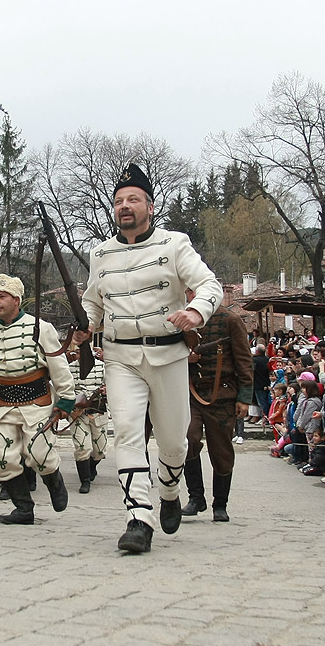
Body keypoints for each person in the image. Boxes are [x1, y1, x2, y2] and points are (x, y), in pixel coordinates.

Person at [76, 163, 223, 553]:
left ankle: (170, 489)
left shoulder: (174, 244)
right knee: (127, 432)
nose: (125, 206)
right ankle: (139, 517)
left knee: (175, 443)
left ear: (150, 206)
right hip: (120, 357)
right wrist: (84, 325)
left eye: (133, 200)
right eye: (119, 201)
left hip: (169, 354)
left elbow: (209, 284)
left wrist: (195, 312)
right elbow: (93, 302)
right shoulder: (101, 254)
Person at [0, 274, 75, 524]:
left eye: (2, 296)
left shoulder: (41, 328)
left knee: (39, 455)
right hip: (1, 404)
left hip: (37, 401)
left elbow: (59, 365)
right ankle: (23, 509)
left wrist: (66, 399)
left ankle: (54, 481)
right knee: (3, 459)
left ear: (16, 299)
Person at [181, 304, 253, 523]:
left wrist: (244, 396)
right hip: (191, 392)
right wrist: (185, 357)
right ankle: (196, 498)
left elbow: (244, 358)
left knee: (221, 451)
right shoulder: (182, 317)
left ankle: (220, 504)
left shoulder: (229, 319)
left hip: (222, 395)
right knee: (188, 439)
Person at [68, 347, 108, 494]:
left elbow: (111, 384)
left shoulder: (102, 367)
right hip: (78, 414)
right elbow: (63, 388)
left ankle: (91, 467)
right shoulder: (69, 369)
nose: (80, 355)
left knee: (100, 450)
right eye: (77, 352)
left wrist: (106, 390)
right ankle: (84, 481)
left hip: (98, 411)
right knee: (82, 448)